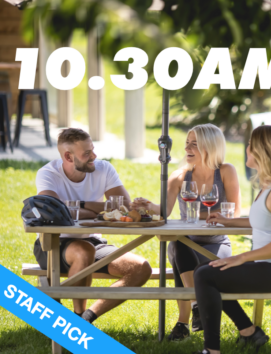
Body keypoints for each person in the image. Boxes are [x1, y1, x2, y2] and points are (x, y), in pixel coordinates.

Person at [192, 125, 271, 354]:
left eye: (250, 144)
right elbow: (261, 222)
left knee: (207, 274)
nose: (246, 148)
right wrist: (227, 222)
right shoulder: (269, 186)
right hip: (267, 267)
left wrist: (240, 258)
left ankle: (213, 350)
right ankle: (249, 333)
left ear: (263, 151)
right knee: (207, 270)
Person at [132, 124, 241, 341]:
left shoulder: (226, 171)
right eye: (186, 144)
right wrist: (147, 205)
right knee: (178, 245)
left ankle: (182, 323)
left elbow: (234, 211)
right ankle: (196, 307)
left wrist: (197, 216)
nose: (187, 149)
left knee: (187, 261)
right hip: (186, 243)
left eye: (194, 144)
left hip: (216, 243)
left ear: (210, 147)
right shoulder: (180, 176)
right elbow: (164, 211)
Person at [33, 128, 152, 323]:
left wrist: (77, 205)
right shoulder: (48, 174)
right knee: (84, 250)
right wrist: (103, 210)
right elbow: (54, 213)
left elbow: (123, 208)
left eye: (93, 150)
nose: (94, 156)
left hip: (94, 241)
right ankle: (77, 314)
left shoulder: (103, 169)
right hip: (53, 243)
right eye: (86, 153)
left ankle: (85, 318)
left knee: (141, 268)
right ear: (68, 157)